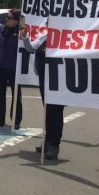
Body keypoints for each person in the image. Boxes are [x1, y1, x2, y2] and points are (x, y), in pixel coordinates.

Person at [22, 26, 65, 160]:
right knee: (47, 110)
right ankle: (47, 141)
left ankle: (54, 146)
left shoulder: (66, 36)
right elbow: (30, 47)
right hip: (44, 78)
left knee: (56, 112)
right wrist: (25, 36)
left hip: (58, 80)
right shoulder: (44, 35)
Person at [0, 9, 23, 129]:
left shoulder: (20, 32)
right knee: (0, 93)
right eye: (7, 17)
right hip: (1, 66)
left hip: (14, 68)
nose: (7, 20)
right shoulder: (3, 29)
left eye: (9, 18)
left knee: (16, 95)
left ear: (16, 20)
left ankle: (16, 120)